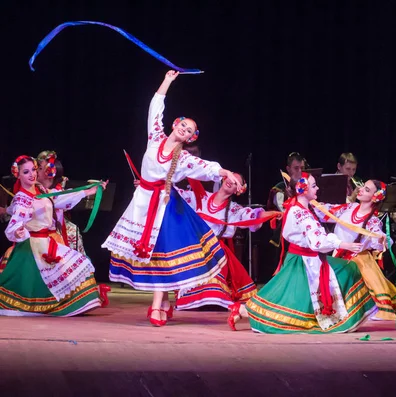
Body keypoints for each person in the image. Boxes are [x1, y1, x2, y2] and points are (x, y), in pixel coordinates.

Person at [102, 70, 240, 327]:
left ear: (190, 139)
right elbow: (155, 107)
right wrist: (167, 81)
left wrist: (226, 172)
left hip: (166, 205)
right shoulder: (155, 136)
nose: (184, 130)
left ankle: (157, 306)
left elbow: (207, 167)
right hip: (143, 201)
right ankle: (163, 302)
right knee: (152, 253)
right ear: (175, 125)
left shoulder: (184, 159)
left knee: (163, 252)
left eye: (189, 131)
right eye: (183, 125)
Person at [228, 173, 376, 333]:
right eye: (313, 186)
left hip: (306, 258)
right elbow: (318, 242)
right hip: (304, 261)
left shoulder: (301, 207)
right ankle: (243, 310)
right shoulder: (301, 214)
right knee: (288, 301)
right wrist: (344, 244)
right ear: (303, 190)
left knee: (343, 272)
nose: (317, 188)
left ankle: (342, 314)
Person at [0, 155, 108, 316]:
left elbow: (59, 199)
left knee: (73, 267)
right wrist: (17, 230)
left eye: (33, 170)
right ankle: (57, 306)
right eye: (26, 172)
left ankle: (79, 303)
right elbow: (15, 223)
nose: (32, 174)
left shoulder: (41, 190)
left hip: (48, 241)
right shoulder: (22, 198)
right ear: (18, 175)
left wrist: (88, 191)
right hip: (34, 245)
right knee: (40, 282)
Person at [176, 172, 279, 309]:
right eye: (231, 178)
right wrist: (148, 187)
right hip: (194, 249)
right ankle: (195, 297)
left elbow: (252, 216)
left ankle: (211, 296)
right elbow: (175, 194)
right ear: (224, 178)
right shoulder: (200, 196)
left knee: (215, 255)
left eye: (236, 182)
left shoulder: (234, 210)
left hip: (215, 251)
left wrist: (272, 213)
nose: (231, 182)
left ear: (238, 190)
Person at [327, 179, 396, 320]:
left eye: (367, 190)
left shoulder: (373, 220)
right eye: (363, 187)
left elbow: (378, 235)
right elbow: (325, 211)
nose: (361, 190)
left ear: (375, 197)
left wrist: (382, 239)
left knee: (370, 279)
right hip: (337, 257)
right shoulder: (348, 208)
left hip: (358, 259)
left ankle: (382, 309)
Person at [36, 150, 87, 255]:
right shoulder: (33, 188)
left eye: (40, 168)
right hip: (36, 233)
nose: (36, 171)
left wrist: (88, 191)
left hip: (53, 232)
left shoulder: (56, 191)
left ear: (50, 172)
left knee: (72, 231)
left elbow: (61, 199)